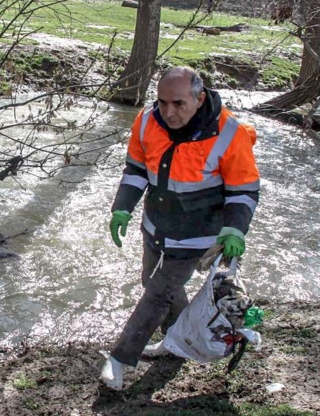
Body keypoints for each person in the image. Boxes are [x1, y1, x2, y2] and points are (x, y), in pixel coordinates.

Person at [101, 66, 260, 390]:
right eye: (162, 102)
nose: (168, 112)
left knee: (158, 293)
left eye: (178, 104)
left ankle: (119, 359)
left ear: (200, 99)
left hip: (198, 234)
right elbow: (136, 170)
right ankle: (176, 341)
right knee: (152, 281)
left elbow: (243, 190)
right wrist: (122, 207)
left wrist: (235, 229)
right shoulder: (146, 120)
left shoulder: (230, 133)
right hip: (156, 226)